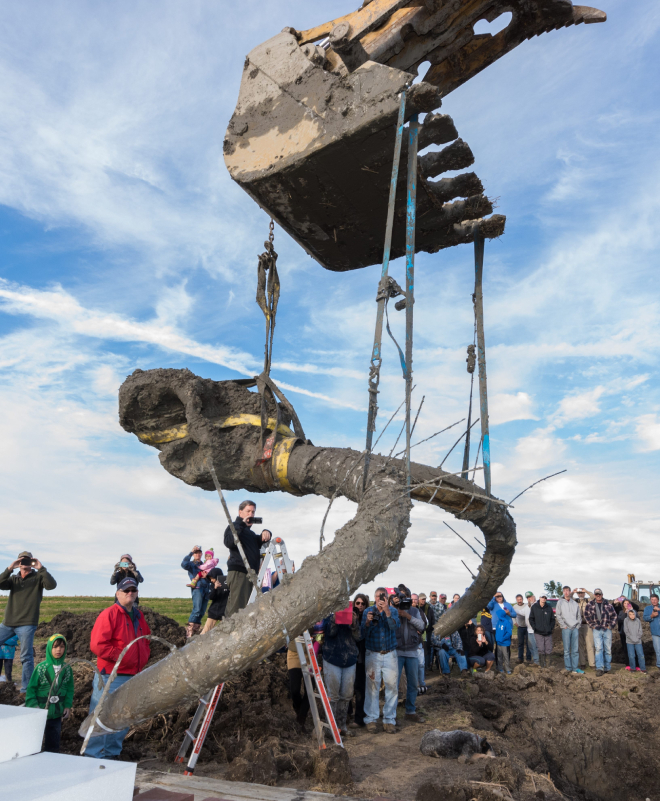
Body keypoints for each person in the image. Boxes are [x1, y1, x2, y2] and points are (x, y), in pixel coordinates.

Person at [86, 577, 151, 759]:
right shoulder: (109, 614)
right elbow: (98, 645)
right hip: (111, 676)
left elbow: (146, 639)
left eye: (133, 590)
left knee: (123, 718)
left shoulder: (139, 616)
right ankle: (94, 756)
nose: (130, 593)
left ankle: (112, 754)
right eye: (126, 590)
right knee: (102, 716)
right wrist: (122, 657)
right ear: (117, 594)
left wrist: (142, 656)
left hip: (133, 675)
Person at [0, 551, 57, 692]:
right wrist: (9, 568)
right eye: (22, 560)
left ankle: (27, 689)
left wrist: (41, 568)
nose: (25, 563)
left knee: (26, 656)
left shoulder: (38, 578)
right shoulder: (13, 579)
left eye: (28, 561)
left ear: (32, 562)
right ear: (18, 563)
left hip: (27, 623)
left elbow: (51, 585)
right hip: (8, 622)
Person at [25, 634, 74, 753]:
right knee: (34, 741)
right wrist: (33, 706)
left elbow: (69, 688)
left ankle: (52, 758)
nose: (59, 650)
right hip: (40, 711)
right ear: (49, 648)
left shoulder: (66, 669)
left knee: (53, 741)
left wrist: (67, 705)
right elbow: (31, 689)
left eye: (62, 647)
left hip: (57, 713)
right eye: (55, 647)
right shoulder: (41, 668)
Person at [361, 587, 400, 733]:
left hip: (390, 654)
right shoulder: (368, 611)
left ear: (387, 598)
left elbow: (394, 627)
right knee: (372, 687)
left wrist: (387, 612)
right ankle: (371, 719)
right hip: (373, 653)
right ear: (374, 597)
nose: (380, 599)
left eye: (383, 596)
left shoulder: (393, 610)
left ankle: (389, 719)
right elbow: (363, 634)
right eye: (378, 596)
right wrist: (367, 622)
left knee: (392, 687)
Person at [224, 500, 271, 617]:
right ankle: (229, 634)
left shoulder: (250, 534)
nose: (251, 514)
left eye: (253, 512)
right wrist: (242, 524)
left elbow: (258, 541)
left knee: (247, 608)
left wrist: (266, 533)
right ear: (240, 512)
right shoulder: (233, 526)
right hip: (239, 572)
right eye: (248, 511)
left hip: (251, 574)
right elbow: (229, 542)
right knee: (237, 610)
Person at [321, 606, 363, 736]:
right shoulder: (328, 616)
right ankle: (331, 727)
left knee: (346, 695)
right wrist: (335, 620)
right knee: (333, 695)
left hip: (349, 659)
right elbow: (330, 633)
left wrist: (354, 623)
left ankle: (341, 726)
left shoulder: (353, 617)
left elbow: (358, 637)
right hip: (332, 658)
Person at [394, 592, 425, 720]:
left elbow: (422, 626)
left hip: (412, 651)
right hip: (397, 651)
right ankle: (391, 714)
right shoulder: (393, 609)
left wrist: (408, 616)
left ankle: (410, 711)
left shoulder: (414, 610)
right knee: (393, 684)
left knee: (413, 683)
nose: (403, 601)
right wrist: (395, 609)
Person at [584, 589, 618, 677]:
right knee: (598, 648)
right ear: (594, 595)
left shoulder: (608, 604)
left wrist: (610, 626)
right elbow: (586, 615)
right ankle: (599, 668)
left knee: (608, 649)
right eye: (596, 594)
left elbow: (614, 616)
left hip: (607, 629)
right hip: (596, 629)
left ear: (602, 594)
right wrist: (592, 625)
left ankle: (607, 667)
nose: (598, 595)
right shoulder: (590, 604)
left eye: (599, 594)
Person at [181, 545, 211, 638]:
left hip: (206, 589)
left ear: (201, 554)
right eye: (196, 553)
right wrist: (190, 552)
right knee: (197, 610)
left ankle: (195, 633)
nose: (197, 554)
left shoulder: (205, 565)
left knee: (202, 612)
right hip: (197, 588)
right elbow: (183, 564)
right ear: (193, 554)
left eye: (199, 553)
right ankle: (189, 634)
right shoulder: (191, 564)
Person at [348, 593, 369, 728]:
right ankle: (348, 714)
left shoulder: (368, 618)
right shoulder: (348, 617)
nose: (360, 606)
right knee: (348, 688)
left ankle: (359, 718)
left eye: (363, 604)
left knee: (360, 689)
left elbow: (362, 637)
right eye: (358, 603)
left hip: (362, 658)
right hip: (349, 657)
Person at [556, 585, 583, 674]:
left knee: (575, 650)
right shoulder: (560, 603)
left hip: (574, 628)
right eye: (564, 591)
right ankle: (568, 668)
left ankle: (575, 668)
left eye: (567, 590)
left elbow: (579, 616)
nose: (566, 592)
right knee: (567, 650)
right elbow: (558, 615)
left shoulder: (574, 603)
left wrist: (578, 626)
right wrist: (563, 625)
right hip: (566, 629)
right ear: (563, 592)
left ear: (570, 592)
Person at [487, 592, 514, 674]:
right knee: (498, 650)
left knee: (506, 650)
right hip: (497, 628)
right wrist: (493, 597)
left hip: (507, 627)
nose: (499, 597)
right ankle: (499, 666)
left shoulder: (508, 604)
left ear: (503, 596)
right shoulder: (493, 604)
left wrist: (509, 613)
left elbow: (514, 614)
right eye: (497, 596)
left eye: (500, 596)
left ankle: (507, 666)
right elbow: (489, 606)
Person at [287, 638, 310, 728]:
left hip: (310, 652)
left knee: (309, 691)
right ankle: (299, 709)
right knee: (294, 690)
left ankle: (301, 718)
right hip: (294, 652)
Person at [201, 568, 230, 634]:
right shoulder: (212, 586)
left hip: (224, 613)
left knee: (226, 633)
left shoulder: (227, 584)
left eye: (213, 578)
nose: (212, 580)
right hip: (213, 612)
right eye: (210, 578)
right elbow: (210, 597)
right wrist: (215, 588)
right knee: (204, 632)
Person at [529, 595, 555, 667]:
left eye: (545, 598)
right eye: (542, 597)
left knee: (548, 649)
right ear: (539, 598)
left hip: (548, 632)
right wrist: (535, 627)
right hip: (538, 632)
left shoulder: (549, 607)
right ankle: (542, 665)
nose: (544, 599)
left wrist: (550, 628)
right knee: (541, 649)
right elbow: (531, 619)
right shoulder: (534, 607)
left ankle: (548, 665)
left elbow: (552, 619)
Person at [573, 588, 595, 669]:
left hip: (587, 625)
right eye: (579, 593)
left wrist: (587, 591)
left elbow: (593, 597)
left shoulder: (588, 601)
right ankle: (582, 663)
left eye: (581, 593)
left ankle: (592, 663)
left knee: (590, 644)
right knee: (580, 645)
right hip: (578, 625)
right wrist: (573, 592)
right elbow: (568, 598)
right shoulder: (575, 601)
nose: (580, 594)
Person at [411, 593, 428, 694]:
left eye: (415, 600)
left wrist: (421, 630)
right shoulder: (406, 610)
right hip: (408, 644)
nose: (414, 601)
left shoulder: (420, 611)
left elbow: (426, 623)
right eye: (412, 600)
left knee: (421, 664)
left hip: (418, 642)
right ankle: (414, 685)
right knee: (412, 665)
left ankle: (422, 684)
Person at [617, 599, 639, 667]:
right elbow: (620, 620)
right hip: (624, 633)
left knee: (635, 649)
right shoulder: (621, 612)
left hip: (633, 633)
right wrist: (625, 613)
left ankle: (637, 664)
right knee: (625, 649)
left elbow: (637, 619)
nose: (626, 605)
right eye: (625, 603)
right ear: (623, 605)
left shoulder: (634, 611)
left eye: (628, 603)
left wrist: (632, 611)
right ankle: (628, 664)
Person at [429, 593, 447, 671]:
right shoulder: (427, 605)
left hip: (438, 629)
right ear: (430, 597)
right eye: (432, 596)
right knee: (430, 648)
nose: (434, 597)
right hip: (429, 629)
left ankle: (437, 664)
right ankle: (429, 665)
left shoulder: (441, 606)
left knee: (437, 647)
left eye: (435, 596)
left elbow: (443, 617)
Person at [512, 594, 532, 664]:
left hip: (527, 627)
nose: (519, 601)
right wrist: (515, 623)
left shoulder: (526, 606)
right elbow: (513, 616)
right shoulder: (514, 606)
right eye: (518, 599)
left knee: (528, 643)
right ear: (516, 600)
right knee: (520, 643)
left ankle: (528, 658)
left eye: (520, 599)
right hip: (520, 627)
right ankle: (520, 658)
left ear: (522, 599)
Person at [418, 593, 435, 671]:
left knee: (427, 649)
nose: (423, 601)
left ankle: (427, 666)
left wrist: (429, 629)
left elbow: (432, 621)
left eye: (424, 599)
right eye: (422, 599)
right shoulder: (416, 608)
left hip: (427, 632)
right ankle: (420, 667)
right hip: (418, 632)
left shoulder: (429, 609)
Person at [643, 594, 660, 670]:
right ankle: (659, 665)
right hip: (655, 632)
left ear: (658, 600)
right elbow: (645, 618)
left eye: (655, 599)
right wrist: (652, 616)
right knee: (658, 650)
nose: (654, 601)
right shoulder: (647, 608)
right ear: (650, 600)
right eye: (652, 599)